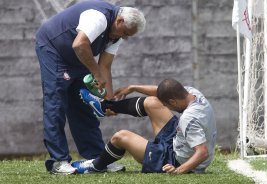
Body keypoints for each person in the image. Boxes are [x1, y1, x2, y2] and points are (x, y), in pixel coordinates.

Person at [35, 0, 146, 174]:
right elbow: (80, 44)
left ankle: (97, 159)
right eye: (124, 33)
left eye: (127, 36)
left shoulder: (116, 33)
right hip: (53, 48)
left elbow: (105, 66)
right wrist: (95, 73)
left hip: (79, 54)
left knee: (81, 104)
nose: (123, 38)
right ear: (119, 21)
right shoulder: (98, 17)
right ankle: (58, 161)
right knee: (56, 103)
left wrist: (108, 100)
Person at [72, 78, 217, 174]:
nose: (165, 106)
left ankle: (96, 166)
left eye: (167, 104)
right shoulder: (193, 94)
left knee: (120, 137)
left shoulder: (188, 118)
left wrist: (179, 170)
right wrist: (132, 87)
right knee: (152, 102)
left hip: (175, 159)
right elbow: (162, 93)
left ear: (173, 101)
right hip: (177, 140)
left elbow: (202, 152)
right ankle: (103, 107)